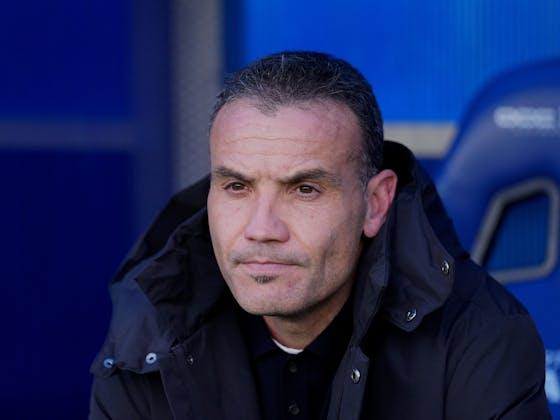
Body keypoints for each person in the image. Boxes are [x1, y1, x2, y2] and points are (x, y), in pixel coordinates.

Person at [89, 51, 550, 419]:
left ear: (375, 203)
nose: (261, 229)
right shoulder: (150, 331)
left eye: (305, 190)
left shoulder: (480, 338)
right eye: (237, 187)